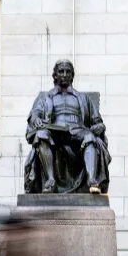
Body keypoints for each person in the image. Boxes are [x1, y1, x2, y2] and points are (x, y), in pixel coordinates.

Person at [24, 59, 111, 194]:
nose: (64, 74)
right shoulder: (45, 98)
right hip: (54, 130)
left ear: (72, 75)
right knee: (41, 134)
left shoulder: (83, 98)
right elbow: (35, 114)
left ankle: (92, 181)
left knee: (89, 137)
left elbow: (97, 121)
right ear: (55, 75)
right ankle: (50, 181)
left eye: (67, 72)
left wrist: (100, 126)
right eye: (61, 71)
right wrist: (36, 120)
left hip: (77, 131)